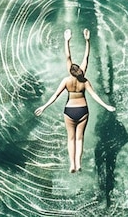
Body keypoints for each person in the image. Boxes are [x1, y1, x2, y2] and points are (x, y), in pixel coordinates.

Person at [35, 28, 115, 173]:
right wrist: (87, 40)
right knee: (80, 139)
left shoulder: (66, 80)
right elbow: (87, 58)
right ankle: (78, 164)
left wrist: (44, 106)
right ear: (80, 71)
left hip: (69, 111)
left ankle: (72, 164)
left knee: (70, 139)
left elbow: (56, 94)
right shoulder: (84, 80)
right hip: (83, 111)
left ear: (70, 71)